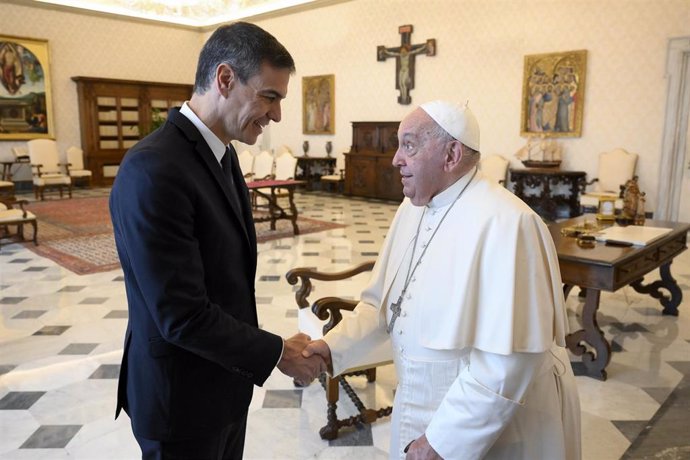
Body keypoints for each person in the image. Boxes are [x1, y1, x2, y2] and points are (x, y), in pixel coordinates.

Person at [303, 100, 581, 460]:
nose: (395, 159)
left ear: (451, 154)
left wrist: (445, 440)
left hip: (484, 429)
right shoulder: (411, 209)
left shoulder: (509, 224)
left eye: (409, 145)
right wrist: (332, 347)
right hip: (416, 408)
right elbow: (384, 304)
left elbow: (508, 361)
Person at [110, 22, 325, 459]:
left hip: (223, 387)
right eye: (270, 96)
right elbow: (182, 315)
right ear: (224, 79)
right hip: (180, 401)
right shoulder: (154, 168)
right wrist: (277, 352)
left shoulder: (222, 154)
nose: (277, 115)